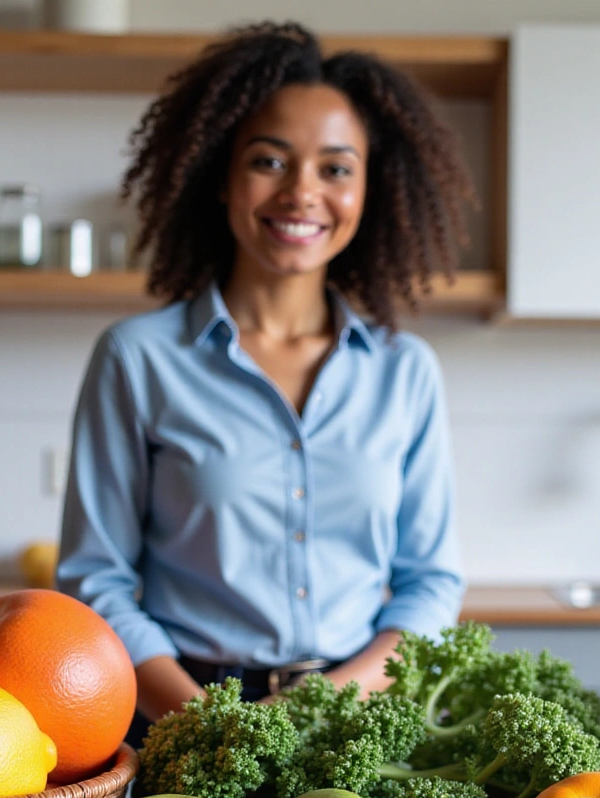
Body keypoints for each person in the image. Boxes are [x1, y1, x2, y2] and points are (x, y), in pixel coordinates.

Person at [58, 22, 474, 737]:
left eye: (336, 169)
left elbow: (430, 585)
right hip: (182, 718)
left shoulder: (405, 372)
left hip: (352, 722)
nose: (302, 191)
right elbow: (95, 580)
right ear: (222, 177)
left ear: (368, 190)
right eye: (269, 161)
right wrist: (208, 725)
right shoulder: (137, 359)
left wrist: (319, 712)